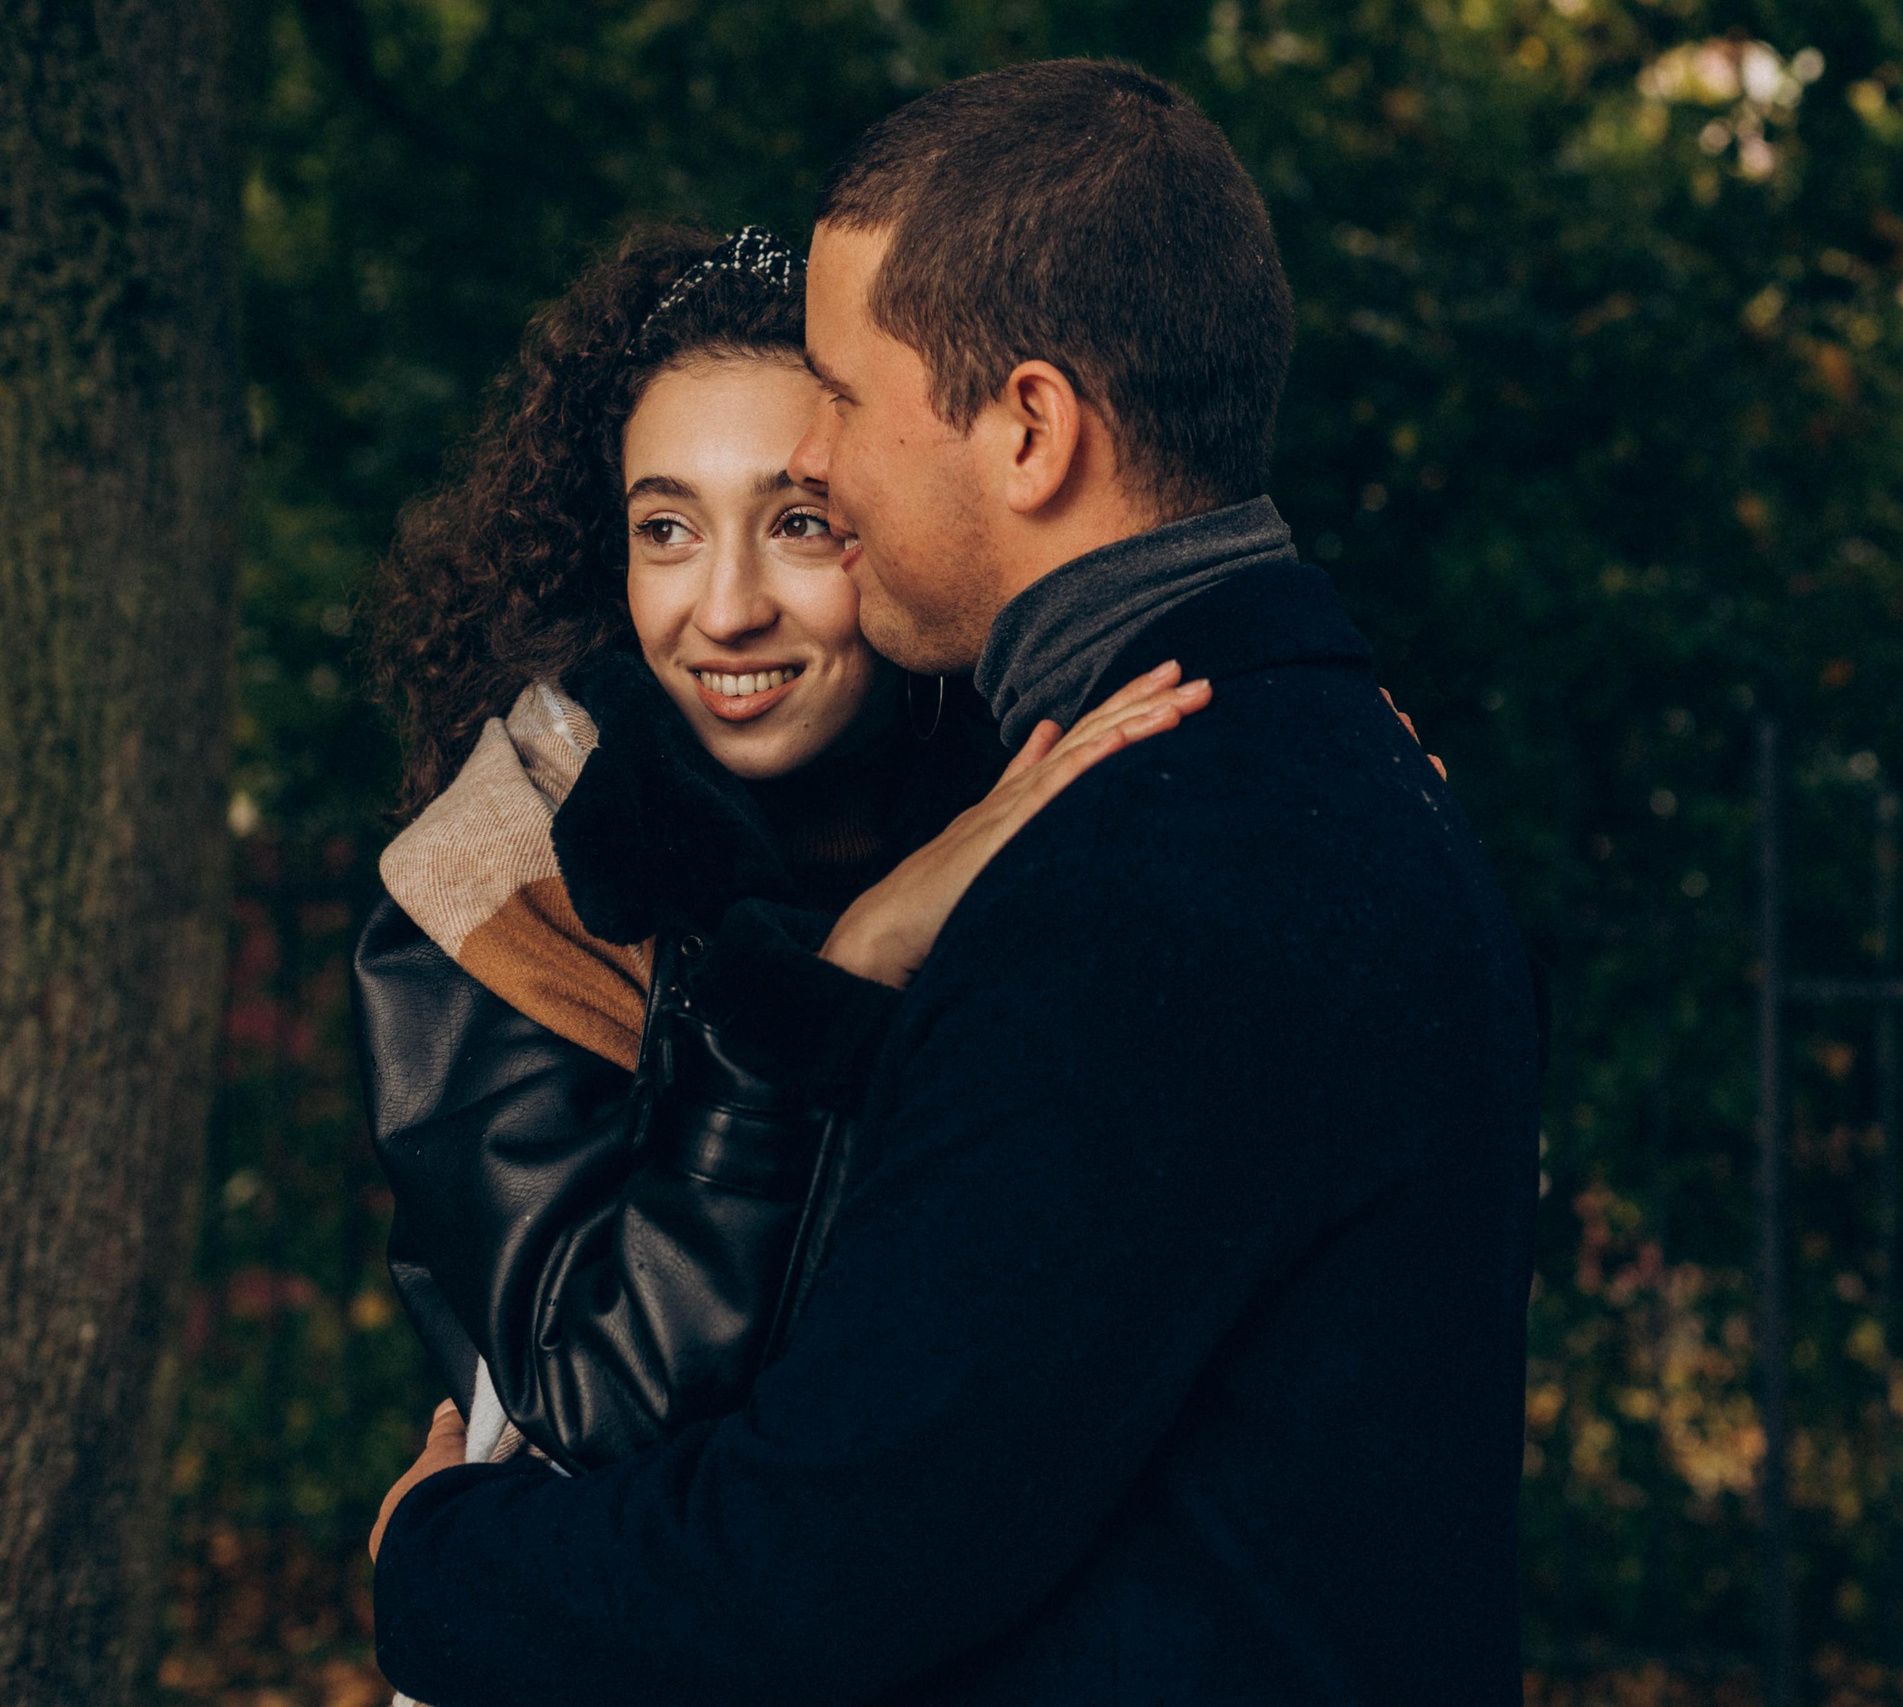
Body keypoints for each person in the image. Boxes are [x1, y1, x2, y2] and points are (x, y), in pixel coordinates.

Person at [370, 57, 1544, 1707]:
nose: (824, 477)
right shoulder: (1294, 767)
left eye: (842, 402)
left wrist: (437, 1560)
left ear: (1032, 427)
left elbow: (828, 1555)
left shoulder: (1144, 872)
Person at [356, 221, 1209, 1474]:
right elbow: (605, 1398)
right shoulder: (494, 883)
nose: (726, 607)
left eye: (801, 522)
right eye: (667, 529)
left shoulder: (1055, 793)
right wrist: (833, 985)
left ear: (900, 522)